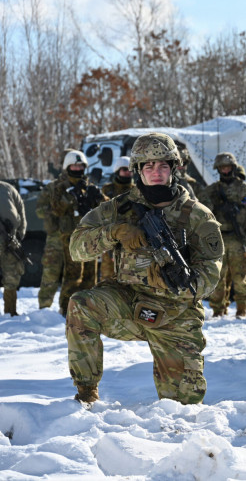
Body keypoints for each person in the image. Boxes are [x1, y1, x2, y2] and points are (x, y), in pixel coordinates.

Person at [66, 132, 223, 405]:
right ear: (138, 170)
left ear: (174, 168)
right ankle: (86, 394)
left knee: (183, 408)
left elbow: (211, 273)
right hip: (127, 302)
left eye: (163, 166)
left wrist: (179, 283)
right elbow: (76, 248)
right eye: (148, 166)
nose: (156, 173)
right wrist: (113, 232)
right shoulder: (119, 209)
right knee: (81, 305)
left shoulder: (197, 215)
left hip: (176, 312)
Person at [198, 153, 246, 318]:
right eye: (222, 168)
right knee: (217, 277)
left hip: (238, 239)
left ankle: (242, 310)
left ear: (233, 168)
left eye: (228, 167)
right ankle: (218, 311)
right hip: (217, 239)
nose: (225, 170)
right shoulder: (212, 190)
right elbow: (200, 212)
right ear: (218, 170)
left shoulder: (245, 189)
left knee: (241, 276)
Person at [49, 150, 106, 315]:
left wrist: (98, 197)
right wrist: (72, 198)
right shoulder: (61, 187)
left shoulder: (89, 186)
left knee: (91, 274)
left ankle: (87, 307)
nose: (77, 168)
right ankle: (66, 308)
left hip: (90, 236)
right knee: (74, 273)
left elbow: (105, 208)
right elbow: (56, 208)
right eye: (74, 165)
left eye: (80, 165)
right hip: (71, 236)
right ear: (68, 167)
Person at [36, 162, 66, 309]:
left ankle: (67, 309)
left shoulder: (83, 186)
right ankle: (44, 309)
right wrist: (55, 209)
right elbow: (39, 210)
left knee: (73, 278)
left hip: (74, 239)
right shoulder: (52, 187)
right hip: (55, 239)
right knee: (50, 275)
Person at [100, 157, 135, 280]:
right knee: (108, 277)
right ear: (117, 170)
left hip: (130, 238)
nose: (128, 172)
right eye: (124, 169)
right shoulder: (107, 190)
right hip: (110, 237)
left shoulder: (136, 191)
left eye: (130, 170)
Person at [0, 181, 27, 315]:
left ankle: (10, 312)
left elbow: (20, 209)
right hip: (8, 238)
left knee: (11, 276)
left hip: (9, 239)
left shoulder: (8, 188)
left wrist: (20, 234)